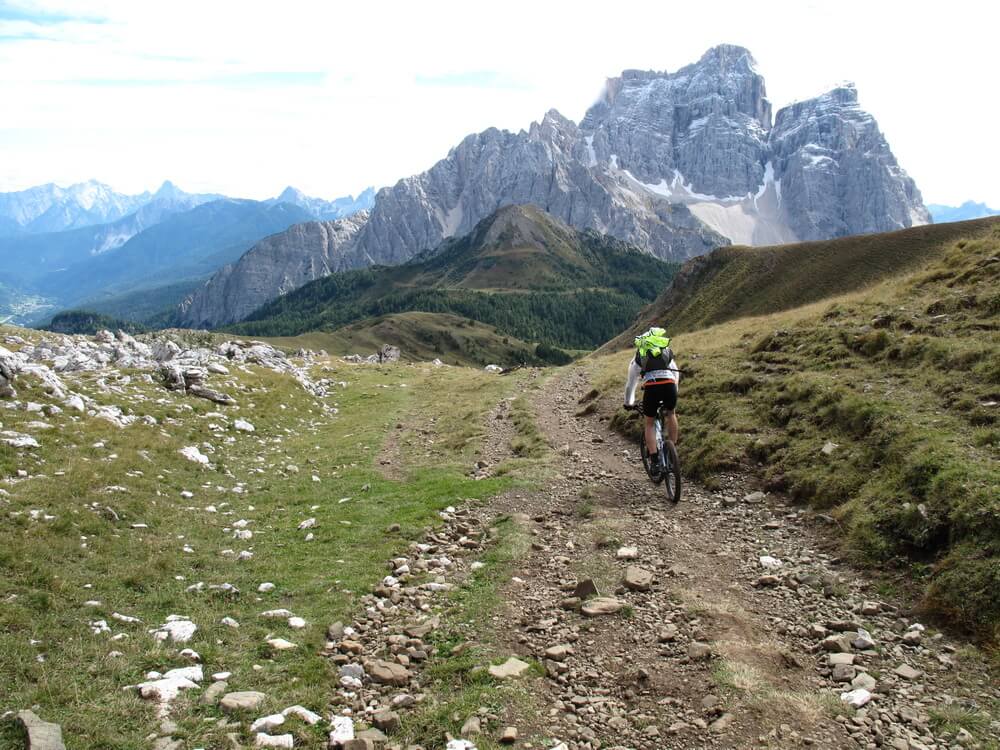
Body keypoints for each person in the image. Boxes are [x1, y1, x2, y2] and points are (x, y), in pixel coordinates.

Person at [624, 327, 679, 477]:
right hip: (670, 385)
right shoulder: (666, 351)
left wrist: (629, 402)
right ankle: (672, 452)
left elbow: (631, 384)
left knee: (649, 422)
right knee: (671, 413)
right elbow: (675, 373)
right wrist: (675, 392)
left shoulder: (639, 357)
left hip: (652, 389)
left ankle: (654, 461)